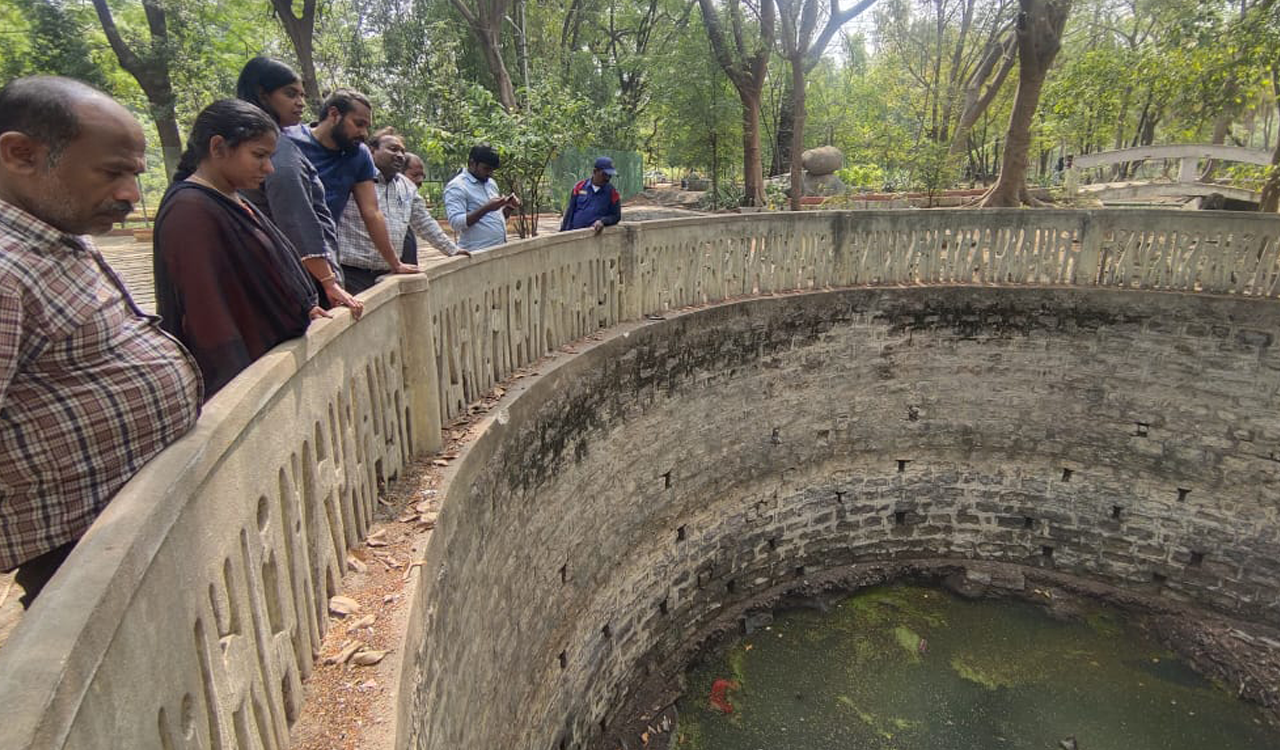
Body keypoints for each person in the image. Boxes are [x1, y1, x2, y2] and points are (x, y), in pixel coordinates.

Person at [0, 76, 201, 607]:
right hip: (77, 556)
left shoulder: (54, 234)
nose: (131, 196)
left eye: (134, 175)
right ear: (21, 154)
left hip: (122, 525)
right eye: (112, 173)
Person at [154, 99, 327, 398]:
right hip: (243, 378)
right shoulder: (190, 211)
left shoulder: (233, 198)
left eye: (270, 157)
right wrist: (241, 392)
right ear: (218, 147)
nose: (269, 168)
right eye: (259, 155)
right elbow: (207, 315)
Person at [235, 57, 363, 319]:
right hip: (298, 279)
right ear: (263, 94)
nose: (300, 103)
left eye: (302, 94)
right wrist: (329, 282)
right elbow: (296, 221)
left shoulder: (275, 145)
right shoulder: (277, 152)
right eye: (290, 94)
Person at [286, 89, 417, 279]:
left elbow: (371, 212)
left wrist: (394, 263)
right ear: (334, 114)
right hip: (286, 248)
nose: (364, 133)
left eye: (367, 126)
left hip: (325, 251)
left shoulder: (359, 154)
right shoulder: (290, 141)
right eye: (358, 124)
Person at [336, 129, 466, 293]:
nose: (399, 155)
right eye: (393, 149)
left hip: (388, 273)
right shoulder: (354, 178)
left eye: (402, 151)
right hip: (351, 272)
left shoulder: (407, 187)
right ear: (371, 150)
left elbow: (424, 222)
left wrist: (452, 250)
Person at [443, 144, 519, 252]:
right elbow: (456, 223)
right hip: (477, 253)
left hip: (499, 249)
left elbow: (494, 218)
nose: (490, 173)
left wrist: (509, 207)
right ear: (472, 163)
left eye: (492, 170)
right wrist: (487, 208)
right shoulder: (457, 186)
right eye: (486, 168)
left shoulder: (491, 183)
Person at [560, 156, 622, 233]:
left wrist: (603, 221)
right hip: (575, 233)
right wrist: (563, 230)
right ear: (595, 172)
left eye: (610, 175)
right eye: (604, 175)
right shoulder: (579, 187)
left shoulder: (612, 193)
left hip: (593, 237)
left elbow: (616, 216)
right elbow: (570, 211)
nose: (607, 178)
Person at [400, 152, 427, 263]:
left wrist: (453, 250)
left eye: (422, 176)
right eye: (415, 175)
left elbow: (425, 223)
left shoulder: (412, 198)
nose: (420, 181)